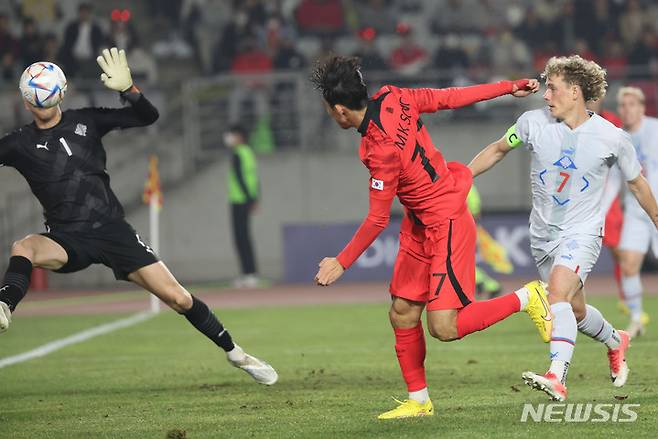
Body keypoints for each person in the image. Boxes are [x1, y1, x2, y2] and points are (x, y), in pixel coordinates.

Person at [0, 48, 277, 386]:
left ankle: (237, 353)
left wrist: (129, 90)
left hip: (114, 233)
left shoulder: (87, 121)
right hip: (66, 238)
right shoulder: (18, 143)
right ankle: (4, 305)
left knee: (178, 298)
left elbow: (147, 116)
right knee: (24, 246)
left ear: (33, 100)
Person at [312, 55, 550, 420]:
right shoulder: (395, 97)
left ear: (341, 111)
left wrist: (340, 261)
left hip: (447, 220)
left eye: (329, 109)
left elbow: (377, 219)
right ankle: (419, 401)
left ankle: (527, 297)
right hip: (420, 222)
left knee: (445, 326)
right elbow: (449, 97)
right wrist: (507, 86)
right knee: (403, 312)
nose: (331, 115)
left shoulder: (380, 149)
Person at [469, 55, 658, 401]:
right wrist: (462, 178)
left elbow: (638, 184)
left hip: (583, 232)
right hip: (542, 235)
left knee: (556, 294)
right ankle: (617, 340)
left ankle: (557, 375)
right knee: (575, 309)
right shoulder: (530, 124)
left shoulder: (611, 137)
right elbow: (498, 150)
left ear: (574, 92)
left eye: (552, 88)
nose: (545, 95)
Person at [616, 86, 658, 337]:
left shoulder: (655, 129)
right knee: (628, 264)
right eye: (623, 105)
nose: (627, 109)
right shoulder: (617, 137)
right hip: (636, 210)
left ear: (642, 107)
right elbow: (612, 180)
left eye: (632, 104)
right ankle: (636, 318)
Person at [224, 124, 260, 288]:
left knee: (241, 237)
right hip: (247, 199)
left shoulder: (238, 154)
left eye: (233, 134)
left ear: (240, 137)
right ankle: (250, 273)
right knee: (245, 237)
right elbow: (254, 178)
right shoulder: (249, 153)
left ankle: (248, 274)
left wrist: (248, 198)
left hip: (239, 200)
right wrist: (254, 199)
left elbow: (240, 178)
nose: (229, 138)